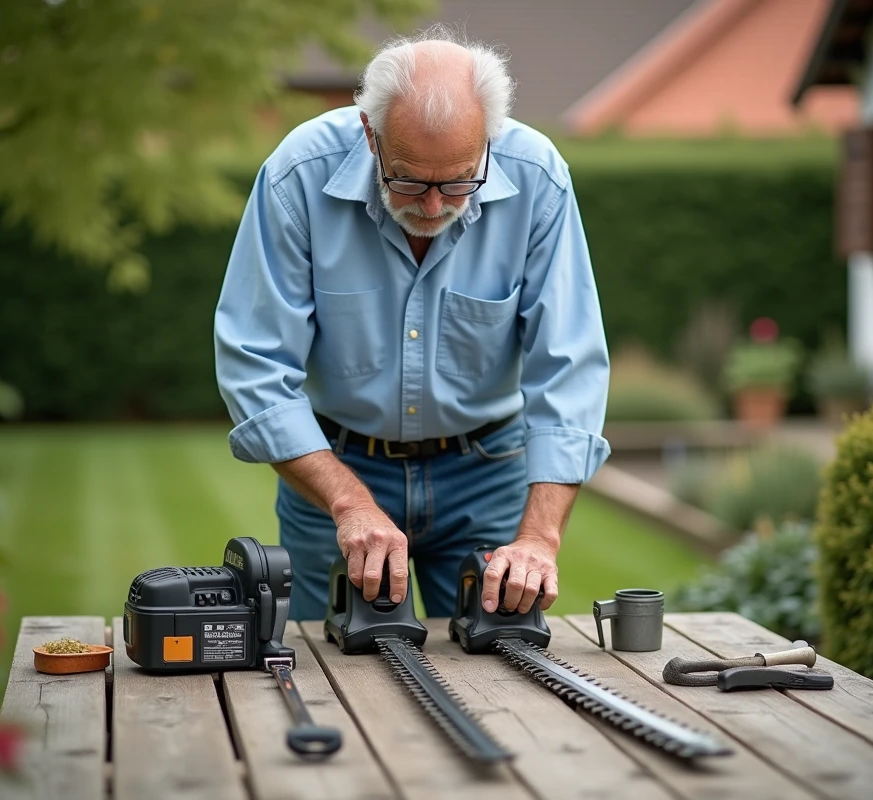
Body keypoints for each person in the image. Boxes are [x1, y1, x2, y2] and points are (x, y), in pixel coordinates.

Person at [214, 27, 610, 622]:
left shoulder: (538, 177)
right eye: (408, 179)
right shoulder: (299, 173)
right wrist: (348, 503)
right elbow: (255, 363)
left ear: (488, 139)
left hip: (487, 468)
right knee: (314, 672)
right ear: (370, 133)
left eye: (456, 181)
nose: (432, 207)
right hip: (337, 463)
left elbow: (569, 367)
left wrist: (539, 539)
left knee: (501, 671)